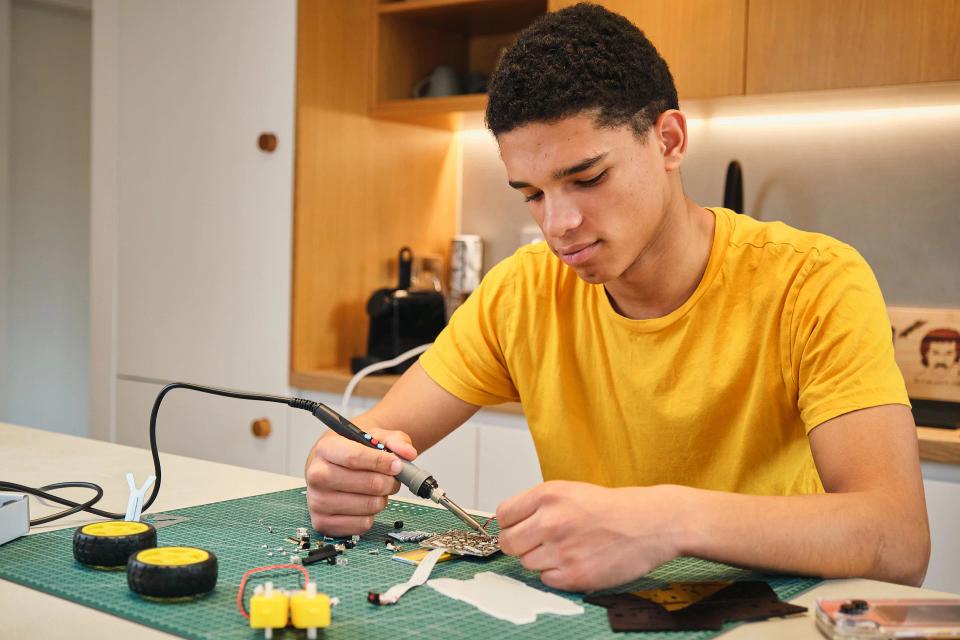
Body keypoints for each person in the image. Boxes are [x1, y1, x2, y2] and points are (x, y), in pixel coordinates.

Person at [305, 3, 929, 591]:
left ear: (669, 141)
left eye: (588, 178)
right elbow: (373, 435)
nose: (558, 224)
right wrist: (339, 472)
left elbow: (898, 541)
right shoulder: (521, 292)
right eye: (531, 194)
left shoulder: (813, 282)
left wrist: (666, 520)